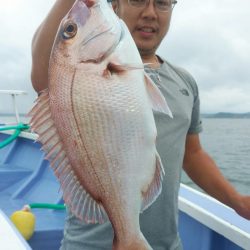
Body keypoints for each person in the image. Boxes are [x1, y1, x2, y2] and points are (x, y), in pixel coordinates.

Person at [31, 0, 250, 249]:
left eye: (163, 3)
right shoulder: (74, 70)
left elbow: (193, 154)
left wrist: (238, 202)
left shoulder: (185, 82)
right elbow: (44, 67)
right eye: (137, 0)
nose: (150, 13)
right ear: (115, 7)